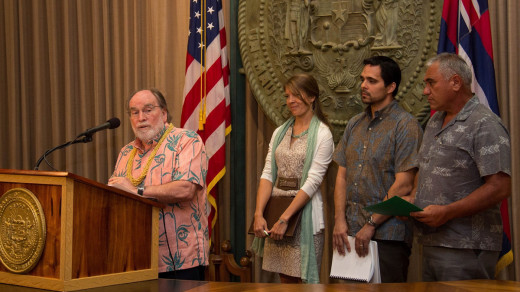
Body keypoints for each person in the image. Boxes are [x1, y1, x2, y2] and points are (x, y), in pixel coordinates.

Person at [408, 53, 511, 281]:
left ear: (455, 82)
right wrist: (413, 200)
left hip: (466, 246)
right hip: (432, 241)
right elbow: (425, 168)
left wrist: (447, 212)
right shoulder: (435, 121)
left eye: (431, 83)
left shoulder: (485, 124)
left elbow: (500, 187)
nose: (425, 91)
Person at [332, 56, 422, 283]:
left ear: (391, 87)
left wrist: (371, 223)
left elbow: (403, 184)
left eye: (372, 81)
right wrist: (339, 221)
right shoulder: (354, 123)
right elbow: (342, 176)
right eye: (362, 79)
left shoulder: (406, 125)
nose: (363, 85)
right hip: (349, 234)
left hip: (387, 236)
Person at [108, 88, 209, 280]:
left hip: (181, 260)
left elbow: (186, 189)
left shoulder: (187, 141)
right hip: (135, 259)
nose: (141, 117)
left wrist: (136, 190)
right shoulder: (126, 152)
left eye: (148, 110)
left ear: (163, 114)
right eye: (134, 112)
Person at [251, 73, 334, 283]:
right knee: (285, 283)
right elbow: (268, 174)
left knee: (303, 283)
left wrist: (284, 219)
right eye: (288, 96)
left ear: (312, 96)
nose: (291, 101)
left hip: (301, 218)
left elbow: (313, 182)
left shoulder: (323, 134)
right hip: (276, 215)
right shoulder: (280, 131)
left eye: (297, 95)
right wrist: (259, 214)